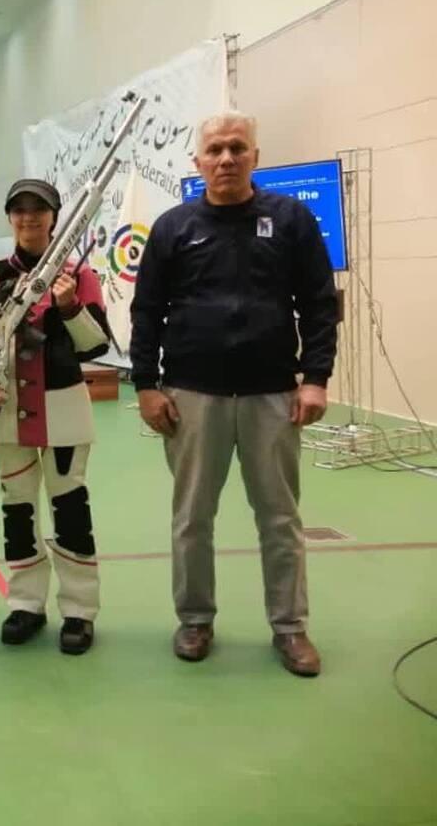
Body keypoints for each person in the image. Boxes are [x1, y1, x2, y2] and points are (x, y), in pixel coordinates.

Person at [129, 111, 339, 677]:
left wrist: (315, 378)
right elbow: (146, 313)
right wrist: (147, 386)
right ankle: (195, 619)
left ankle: (290, 629)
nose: (226, 158)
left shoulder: (291, 220)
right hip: (193, 395)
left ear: (255, 156)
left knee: (279, 518)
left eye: (237, 148)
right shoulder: (174, 228)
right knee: (192, 517)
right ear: (197, 162)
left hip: (273, 395)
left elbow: (320, 304)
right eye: (215, 150)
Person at [0, 179, 112, 654]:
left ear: (54, 217)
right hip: (8, 410)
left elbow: (97, 345)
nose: (29, 219)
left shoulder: (78, 274)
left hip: (64, 406)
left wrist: (68, 306)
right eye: (20, 211)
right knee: (18, 511)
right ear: (9, 218)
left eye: (39, 211)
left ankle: (79, 610)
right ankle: (25, 603)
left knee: (70, 511)